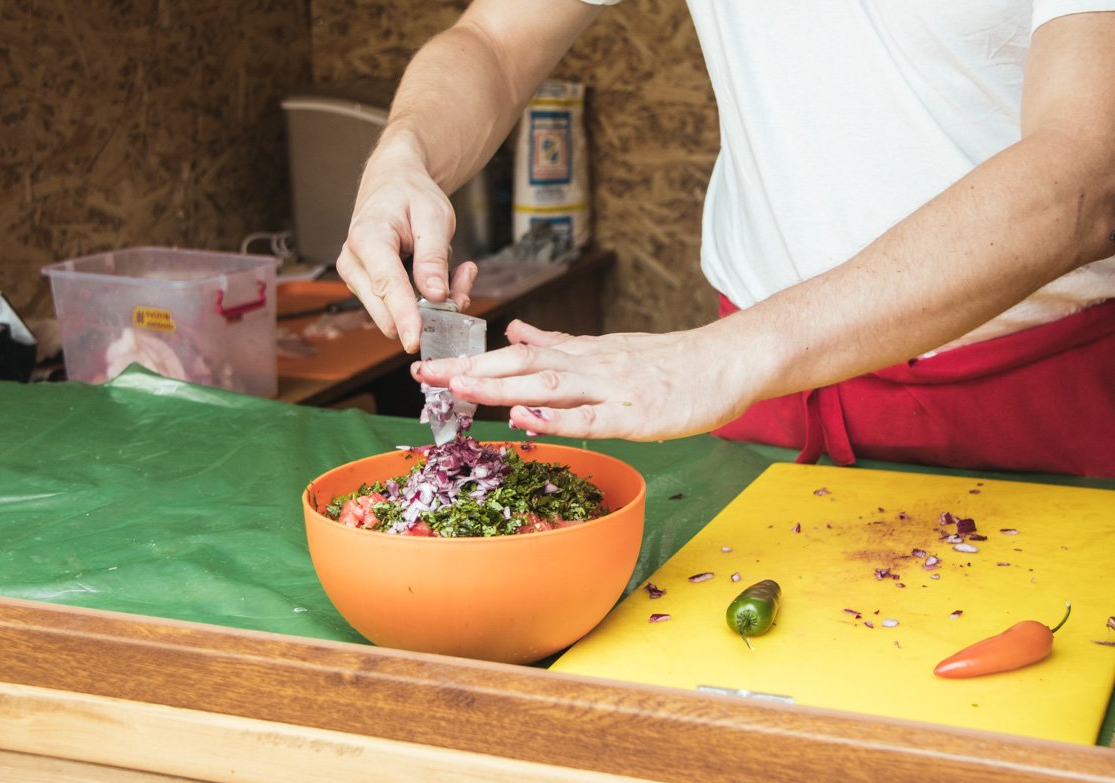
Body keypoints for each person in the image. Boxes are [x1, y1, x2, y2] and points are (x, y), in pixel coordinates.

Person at [335, 0, 1115, 477]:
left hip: (1033, 403)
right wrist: (405, 152)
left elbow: (1086, 170)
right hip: (765, 407)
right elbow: (497, 39)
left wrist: (725, 355)